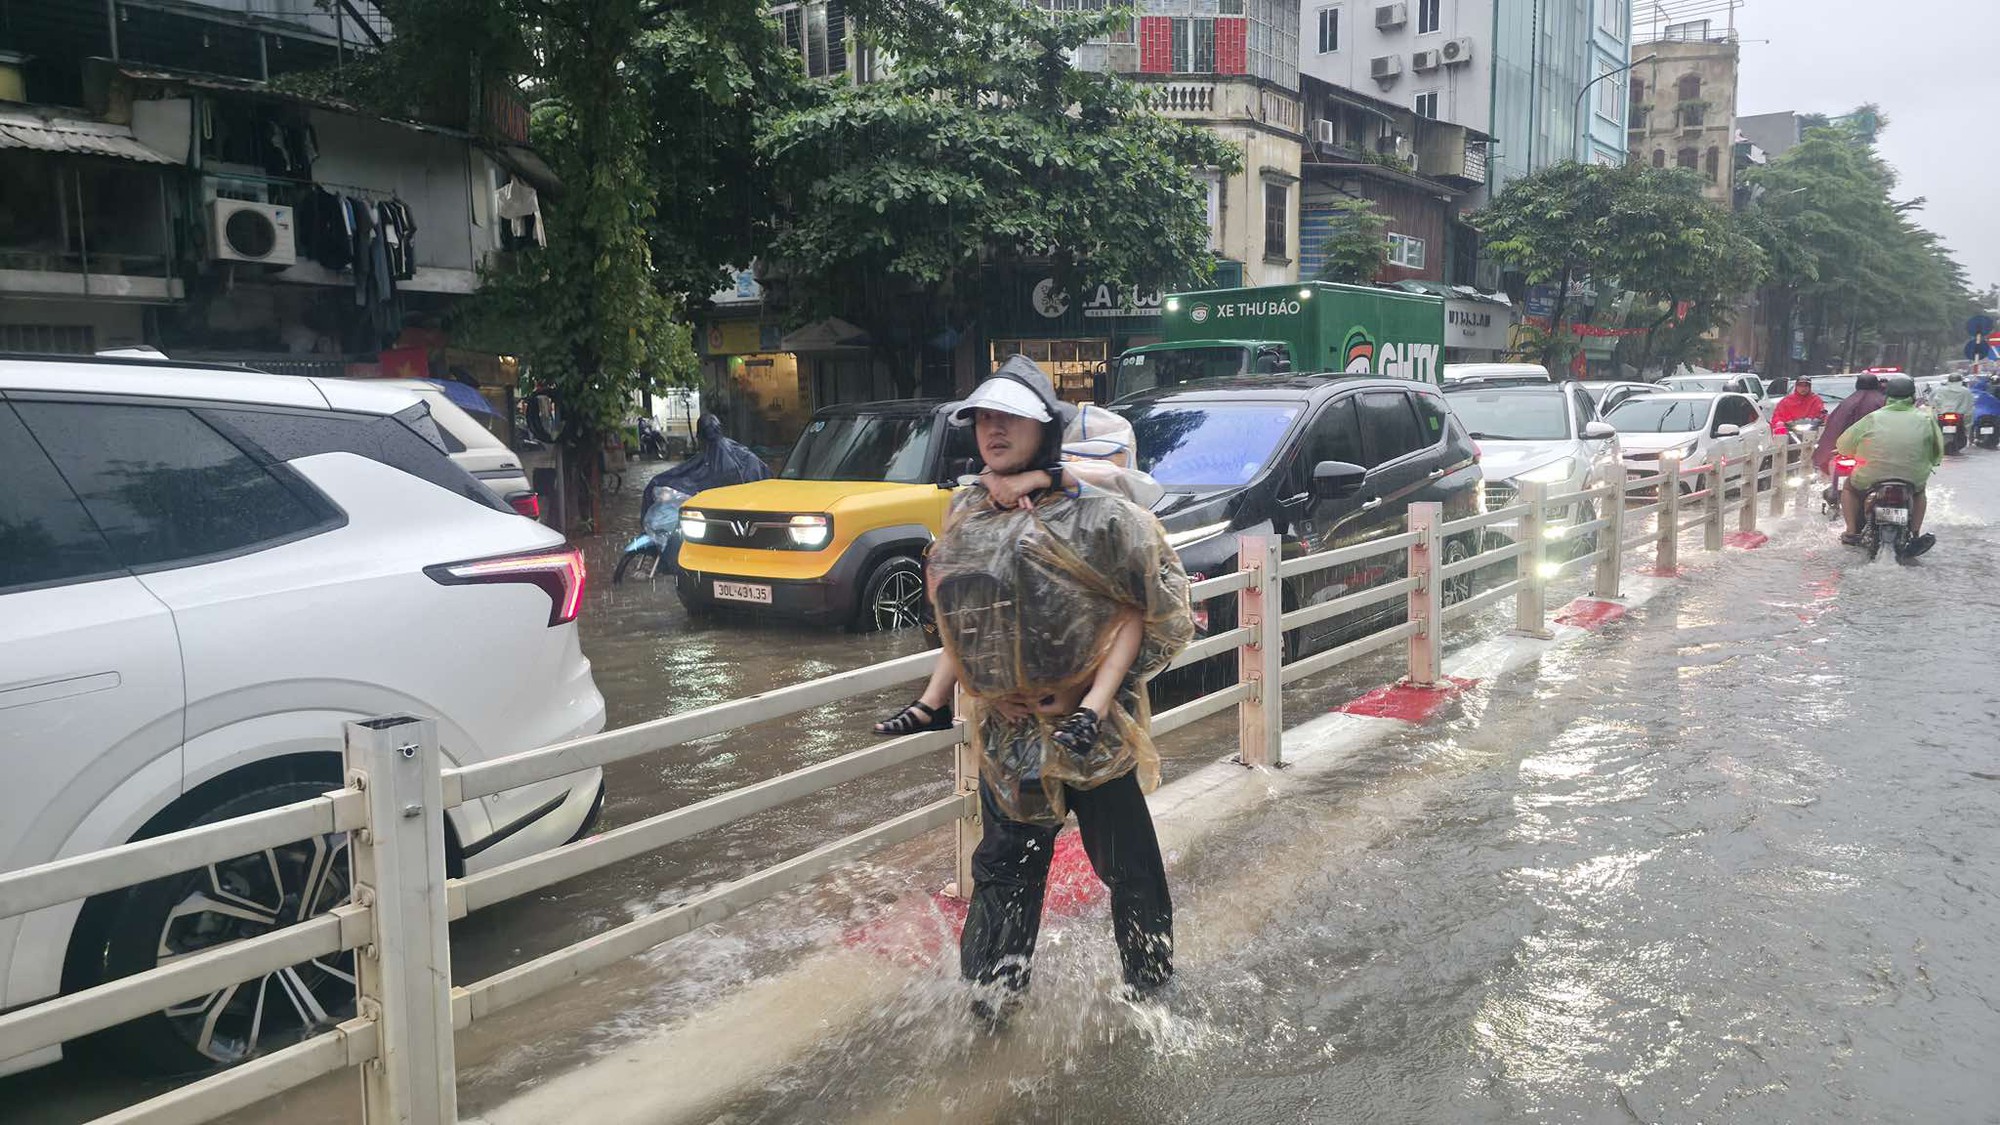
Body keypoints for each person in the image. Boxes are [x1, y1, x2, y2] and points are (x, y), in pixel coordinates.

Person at [926, 356, 1194, 1024]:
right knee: (1005, 875)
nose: (993, 429)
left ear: (1044, 426)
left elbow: (1165, 611)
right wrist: (990, 687)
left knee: (1128, 867)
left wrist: (1092, 687)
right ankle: (991, 1002)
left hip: (1094, 735)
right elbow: (955, 610)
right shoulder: (970, 511)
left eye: (1009, 417)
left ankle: (1151, 986)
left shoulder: (1100, 515)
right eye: (984, 417)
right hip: (1011, 741)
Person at [873, 403, 1163, 742]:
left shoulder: (1109, 513)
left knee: (1128, 609)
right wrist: (990, 690)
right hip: (1011, 716)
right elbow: (972, 612)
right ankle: (933, 701)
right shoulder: (1001, 503)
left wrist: (1082, 690)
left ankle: (1089, 710)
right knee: (973, 598)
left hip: (1091, 719)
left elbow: (1156, 618)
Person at [1836, 374, 1942, 556]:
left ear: (1887, 396)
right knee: (1919, 492)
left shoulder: (1872, 418)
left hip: (1871, 475)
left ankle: (1851, 531)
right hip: (1912, 476)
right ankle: (1915, 533)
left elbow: (1843, 445)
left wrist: (1853, 453)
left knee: (1849, 489)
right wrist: (1932, 461)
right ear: (1912, 396)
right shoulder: (1926, 419)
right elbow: (1937, 450)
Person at [1814, 372, 1887, 475]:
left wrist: (1824, 454)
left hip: (1847, 449)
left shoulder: (1847, 403)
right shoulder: (1882, 402)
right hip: (1876, 451)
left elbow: (1833, 428)